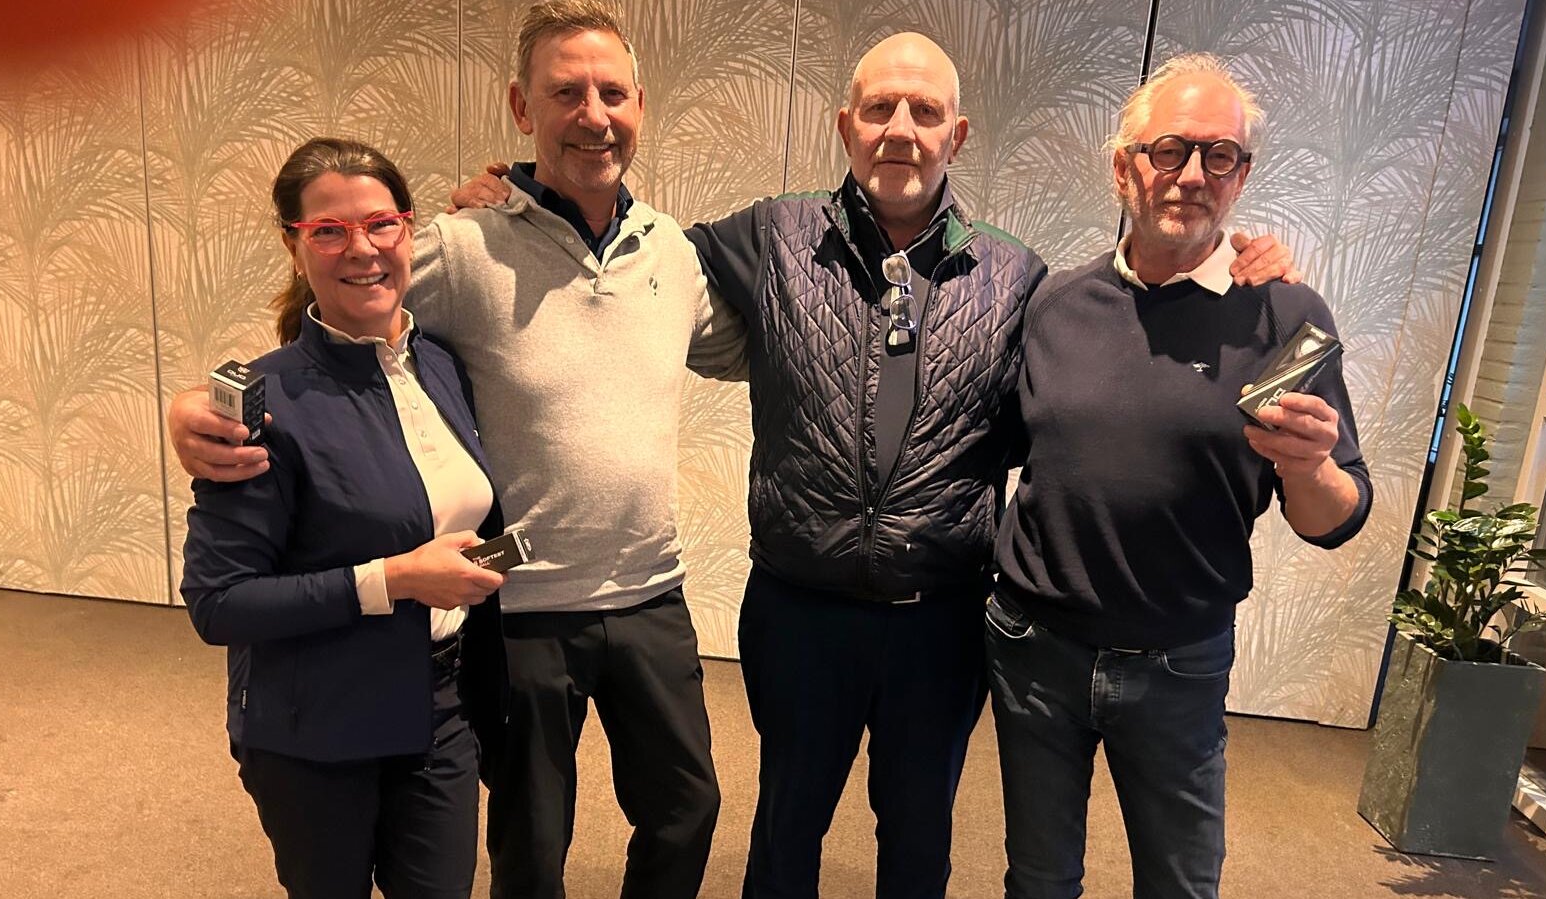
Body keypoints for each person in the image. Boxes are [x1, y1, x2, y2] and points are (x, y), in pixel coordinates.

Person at [450, 31, 1300, 899]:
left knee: (919, 839)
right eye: (880, 108)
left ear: (955, 136)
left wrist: (1236, 268)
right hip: (799, 613)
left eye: (925, 112)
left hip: (941, 619)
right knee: (785, 830)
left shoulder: (1017, 277)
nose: (901, 129)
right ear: (845, 125)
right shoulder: (772, 235)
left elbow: (1088, 377)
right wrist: (520, 197)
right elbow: (621, 249)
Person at [168, 4, 746, 898]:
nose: (593, 114)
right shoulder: (464, 245)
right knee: (531, 841)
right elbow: (339, 313)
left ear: (641, 103)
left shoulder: (670, 248)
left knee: (688, 807)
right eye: (566, 92)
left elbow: (745, 351)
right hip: (518, 606)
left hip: (649, 591)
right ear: (522, 107)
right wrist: (193, 404)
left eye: (612, 92)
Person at [987, 53, 1372, 899]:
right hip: (1035, 651)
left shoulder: (1286, 315)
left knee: (1181, 885)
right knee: (1038, 880)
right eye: (1170, 150)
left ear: (1242, 176)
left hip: (1180, 663)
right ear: (1124, 167)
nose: (1192, 175)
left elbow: (1335, 515)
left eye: (1219, 155)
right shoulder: (1055, 304)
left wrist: (1310, 466)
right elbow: (1006, 446)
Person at [179, 136, 507, 899]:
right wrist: (394, 579)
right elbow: (217, 602)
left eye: (381, 223)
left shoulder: (442, 366)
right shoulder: (261, 403)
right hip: (315, 728)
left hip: (440, 711)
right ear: (293, 246)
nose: (362, 248)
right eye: (329, 230)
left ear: (409, 230)